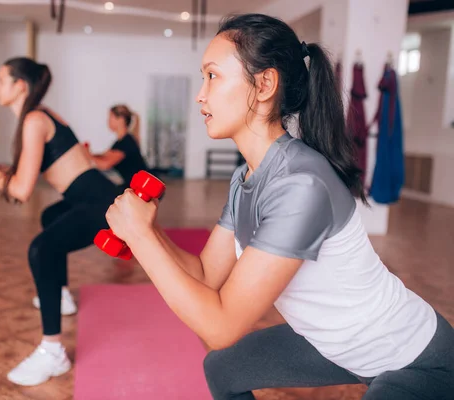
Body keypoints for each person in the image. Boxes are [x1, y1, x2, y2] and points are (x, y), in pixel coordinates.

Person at [104, 14, 454, 400]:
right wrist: (147, 234)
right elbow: (204, 275)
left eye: (213, 76)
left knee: (222, 348)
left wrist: (140, 235)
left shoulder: (301, 184)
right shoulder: (247, 179)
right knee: (224, 368)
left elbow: (221, 326)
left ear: (265, 83)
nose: (200, 94)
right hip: (338, 345)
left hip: (413, 360)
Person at [0, 57, 120, 386]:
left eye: (0, 80)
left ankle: (53, 351)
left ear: (19, 85)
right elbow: (24, 175)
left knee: (41, 250)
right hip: (94, 197)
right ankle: (60, 294)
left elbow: (20, 191)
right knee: (50, 216)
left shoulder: (34, 120)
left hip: (101, 204)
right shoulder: (41, 115)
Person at [87, 104, 150, 190]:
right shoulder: (120, 141)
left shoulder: (126, 142)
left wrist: (86, 155)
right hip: (132, 185)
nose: (108, 121)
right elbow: (104, 156)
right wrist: (88, 154)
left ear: (120, 120)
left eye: (110, 117)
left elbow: (105, 164)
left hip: (141, 188)